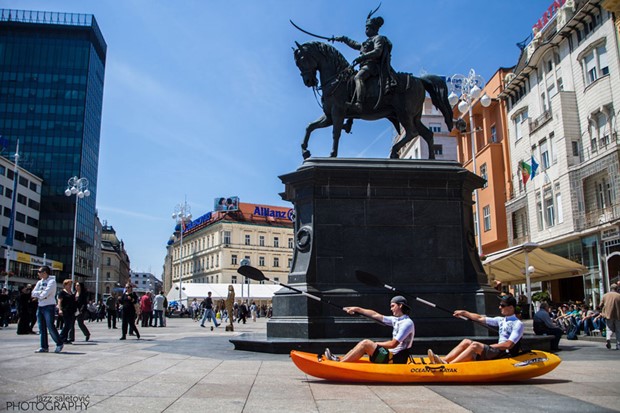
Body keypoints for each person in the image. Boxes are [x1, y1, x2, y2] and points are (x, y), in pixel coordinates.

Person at [427, 295, 524, 364]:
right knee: (466, 341)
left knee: (475, 345)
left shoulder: (518, 324)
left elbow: (508, 345)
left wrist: (489, 347)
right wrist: (464, 313)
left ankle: (450, 365)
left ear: (511, 308)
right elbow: (479, 318)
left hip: (504, 353)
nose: (499, 307)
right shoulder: (501, 320)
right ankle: (444, 360)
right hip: (497, 350)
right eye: (500, 305)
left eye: (502, 305)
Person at [323, 296, 414, 364]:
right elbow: (375, 315)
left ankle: (340, 364)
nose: (391, 309)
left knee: (366, 343)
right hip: (389, 356)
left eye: (393, 306)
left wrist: (374, 344)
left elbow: (393, 344)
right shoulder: (396, 320)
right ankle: (340, 360)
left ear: (400, 305)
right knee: (364, 343)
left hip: (395, 359)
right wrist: (357, 309)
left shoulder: (407, 323)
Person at [334, 14, 395, 112]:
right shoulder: (367, 42)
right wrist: (343, 39)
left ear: (374, 29)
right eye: (365, 28)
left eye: (368, 28)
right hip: (365, 65)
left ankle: (359, 103)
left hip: (372, 66)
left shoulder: (378, 38)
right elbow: (355, 44)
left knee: (358, 77)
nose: (366, 30)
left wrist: (362, 57)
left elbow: (377, 51)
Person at [30, 266, 63, 353]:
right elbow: (33, 293)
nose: (38, 273)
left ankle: (59, 343)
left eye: (39, 271)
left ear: (45, 272)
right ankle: (44, 346)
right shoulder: (39, 282)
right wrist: (40, 294)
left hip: (49, 306)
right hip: (40, 306)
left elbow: (45, 293)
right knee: (42, 327)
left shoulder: (52, 282)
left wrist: (40, 294)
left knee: (50, 326)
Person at [600, 283, 620, 350]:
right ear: (617, 289)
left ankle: (608, 339)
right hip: (618, 315)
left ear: (610, 288)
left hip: (608, 315)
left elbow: (600, 305)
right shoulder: (619, 295)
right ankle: (618, 345)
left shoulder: (605, 295)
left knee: (609, 329)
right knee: (618, 330)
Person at [58, 279, 76, 344]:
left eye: (71, 285)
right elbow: (59, 301)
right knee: (67, 324)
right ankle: (61, 337)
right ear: (65, 285)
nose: (70, 286)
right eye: (69, 285)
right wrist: (60, 309)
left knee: (70, 325)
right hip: (65, 310)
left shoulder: (71, 293)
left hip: (71, 310)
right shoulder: (62, 292)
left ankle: (64, 338)